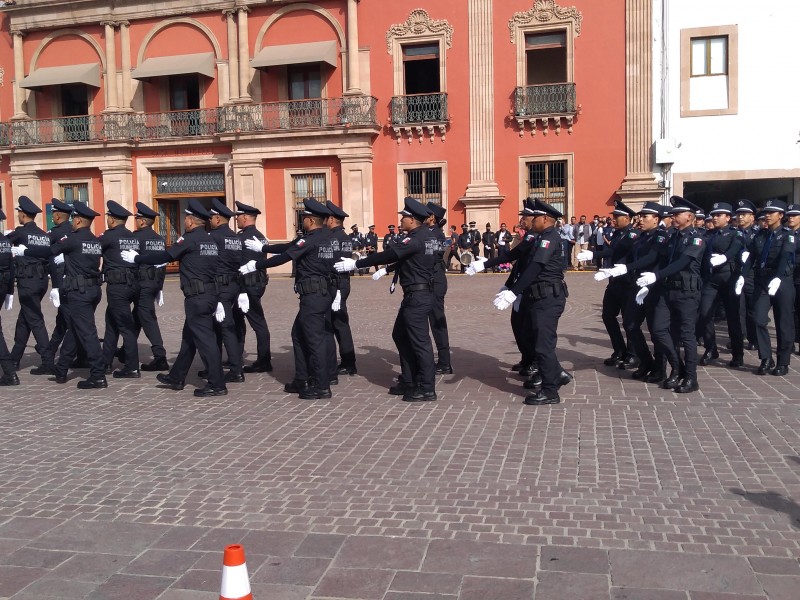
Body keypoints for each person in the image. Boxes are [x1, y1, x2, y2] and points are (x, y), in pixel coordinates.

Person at [334, 197, 438, 402]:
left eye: (404, 218)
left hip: (417, 295)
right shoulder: (426, 236)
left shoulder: (416, 238)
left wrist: (356, 264)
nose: (401, 221)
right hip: (416, 293)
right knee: (400, 335)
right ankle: (409, 380)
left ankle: (426, 387)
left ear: (413, 220)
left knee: (420, 342)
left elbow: (388, 255)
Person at [123, 198, 228, 397]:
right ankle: (176, 376)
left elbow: (166, 257)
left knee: (206, 342)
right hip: (209, 294)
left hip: (197, 297)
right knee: (189, 339)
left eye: (186, 218)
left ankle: (217, 384)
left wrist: (137, 258)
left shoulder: (189, 239)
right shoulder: (210, 240)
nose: (185, 222)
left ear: (190, 221)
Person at [241, 198, 338, 400]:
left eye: (304, 218)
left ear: (310, 221)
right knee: (298, 334)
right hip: (322, 293)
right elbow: (289, 246)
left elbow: (286, 256)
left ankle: (321, 386)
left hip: (313, 295)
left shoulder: (309, 240)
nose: (303, 221)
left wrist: (256, 265)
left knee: (314, 340)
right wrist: (264, 249)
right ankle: (302, 379)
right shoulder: (327, 238)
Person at [14, 201, 108, 389]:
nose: (72, 221)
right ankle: (62, 368)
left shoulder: (73, 239)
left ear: (80, 220)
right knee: (73, 329)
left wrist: (25, 250)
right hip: (93, 290)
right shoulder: (95, 241)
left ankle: (98, 374)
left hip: (78, 292)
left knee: (87, 332)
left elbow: (49, 250)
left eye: (74, 218)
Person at [487, 199, 570, 405]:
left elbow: (535, 267)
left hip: (548, 297)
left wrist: (513, 292)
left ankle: (550, 391)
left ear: (545, 218)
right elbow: (520, 261)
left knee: (543, 345)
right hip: (539, 296)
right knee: (539, 341)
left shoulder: (548, 238)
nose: (530, 221)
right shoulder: (543, 236)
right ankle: (556, 375)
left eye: (535, 218)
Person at [635, 196, 706, 393]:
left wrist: (656, 275)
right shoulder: (672, 236)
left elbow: (681, 263)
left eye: (677, 214)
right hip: (668, 290)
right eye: (672, 215)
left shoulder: (696, 238)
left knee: (686, 335)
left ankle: (691, 378)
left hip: (687, 292)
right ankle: (677, 368)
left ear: (690, 216)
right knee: (658, 330)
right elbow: (660, 258)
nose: (673, 218)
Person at [578, 200, 640, 369]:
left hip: (628, 282)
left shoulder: (633, 235)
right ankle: (619, 350)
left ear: (627, 218)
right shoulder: (617, 233)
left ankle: (634, 354)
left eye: (617, 217)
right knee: (608, 316)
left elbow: (615, 251)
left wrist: (593, 253)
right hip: (615, 281)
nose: (614, 219)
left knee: (628, 321)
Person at [737, 199, 795, 376]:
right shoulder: (760, 235)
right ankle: (766, 358)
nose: (767, 215)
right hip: (762, 280)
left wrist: (777, 278)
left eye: (772, 212)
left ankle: (783, 361)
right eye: (766, 212)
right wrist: (742, 275)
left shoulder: (788, 235)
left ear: (781, 216)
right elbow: (751, 258)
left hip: (782, 280)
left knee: (783, 323)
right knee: (758, 318)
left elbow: (785, 256)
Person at [34, 199, 80, 375]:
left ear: (58, 215)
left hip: (63, 284)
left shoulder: (55, 233)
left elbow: (43, 252)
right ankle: (50, 354)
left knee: (71, 322)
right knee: (62, 322)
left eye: (53, 213)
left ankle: (81, 357)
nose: (52, 216)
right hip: (70, 281)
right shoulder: (74, 230)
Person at [6, 196, 51, 371]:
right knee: (24, 319)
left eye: (19, 213)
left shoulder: (21, 232)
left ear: (23, 215)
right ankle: (14, 358)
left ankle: (47, 361)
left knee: (35, 320)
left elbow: (5, 242)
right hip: (41, 282)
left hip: (27, 282)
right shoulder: (42, 234)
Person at [205, 198, 248, 383]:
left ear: (217, 219)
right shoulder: (236, 238)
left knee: (223, 327)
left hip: (219, 287)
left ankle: (234, 370)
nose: (209, 221)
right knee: (225, 326)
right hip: (234, 285)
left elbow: (208, 263)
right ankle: (220, 367)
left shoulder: (213, 237)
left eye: (211, 218)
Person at [696, 202, 744, 367]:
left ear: (728, 218)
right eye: (713, 215)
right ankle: (711, 348)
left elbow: (736, 248)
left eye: (719, 215)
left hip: (728, 277)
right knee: (704, 313)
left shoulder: (734, 234)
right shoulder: (708, 235)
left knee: (733, 317)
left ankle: (737, 354)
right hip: (710, 279)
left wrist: (725, 258)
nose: (714, 218)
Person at [99, 200, 142, 378]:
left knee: (125, 327)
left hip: (118, 287)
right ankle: (106, 362)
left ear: (113, 219)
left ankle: (132, 367)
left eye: (108, 217)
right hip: (133, 284)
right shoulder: (132, 236)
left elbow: (93, 248)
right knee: (112, 323)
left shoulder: (109, 236)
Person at [234, 201, 272, 373]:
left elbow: (239, 264)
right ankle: (235, 355)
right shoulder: (260, 236)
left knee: (257, 322)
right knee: (237, 319)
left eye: (238, 217)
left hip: (247, 285)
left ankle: (264, 361)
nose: (236, 220)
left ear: (245, 217)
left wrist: (241, 290)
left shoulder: (243, 238)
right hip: (257, 282)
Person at [131, 202, 169, 372]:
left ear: (142, 221)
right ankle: (127, 350)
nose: (136, 222)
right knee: (137, 316)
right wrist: (159, 287)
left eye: (137, 219)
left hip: (142, 283)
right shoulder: (159, 240)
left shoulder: (136, 238)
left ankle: (160, 357)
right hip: (154, 283)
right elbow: (163, 264)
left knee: (147, 317)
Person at [325, 200, 357, 376]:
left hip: (335, 284)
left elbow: (329, 262)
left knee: (337, 324)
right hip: (342, 282)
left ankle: (347, 362)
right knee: (340, 323)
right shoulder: (344, 237)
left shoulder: (332, 238)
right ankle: (348, 361)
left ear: (331, 219)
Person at [734, 199, 759, 350]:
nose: (740, 217)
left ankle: (753, 338)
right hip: (736, 274)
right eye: (738, 215)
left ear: (752, 217)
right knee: (738, 308)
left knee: (752, 308)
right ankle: (739, 336)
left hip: (752, 275)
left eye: (744, 214)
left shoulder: (757, 233)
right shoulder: (733, 233)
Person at [0, 208, 20, 386]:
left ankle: (9, 371)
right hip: (3, 284)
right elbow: (12, 266)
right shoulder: (5, 241)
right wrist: (9, 292)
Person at [787, 204, 800, 355]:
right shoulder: (785, 233)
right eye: (789, 216)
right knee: (788, 311)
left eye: (794, 216)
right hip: (788, 276)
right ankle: (789, 342)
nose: (791, 218)